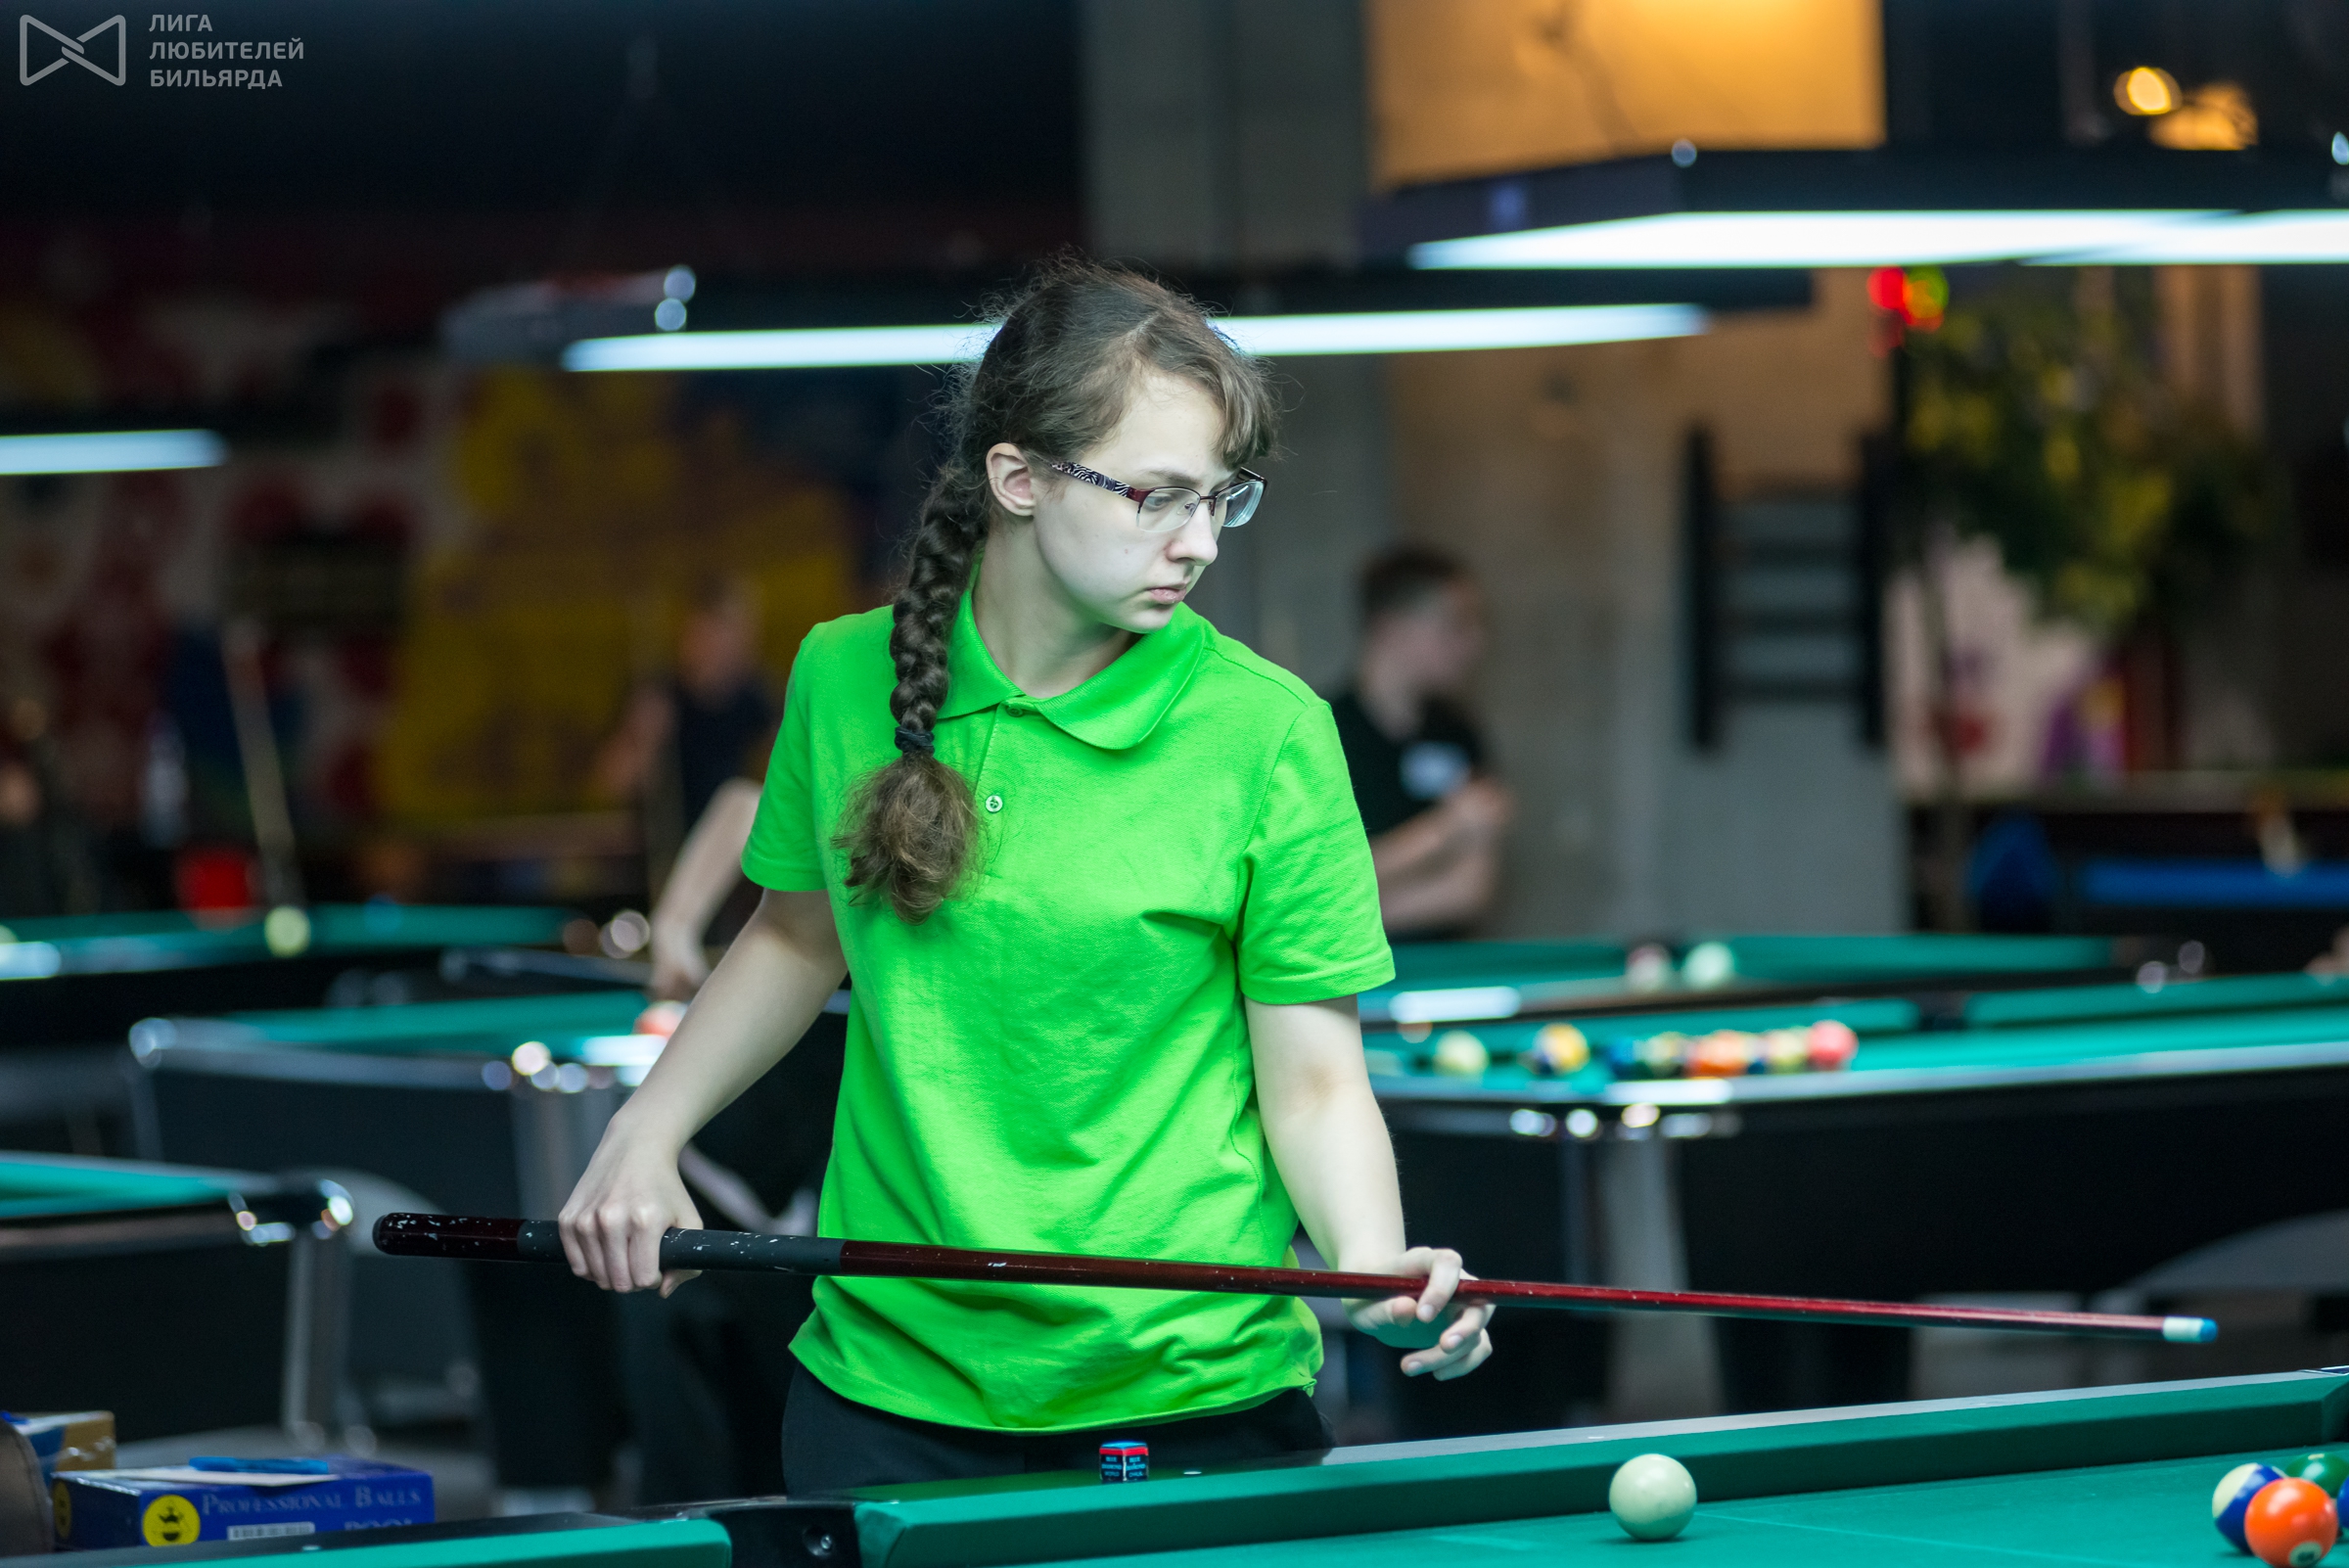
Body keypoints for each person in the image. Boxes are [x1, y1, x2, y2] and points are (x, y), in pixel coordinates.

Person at [558, 258, 1493, 1494]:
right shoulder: (843, 677)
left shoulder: (1267, 731)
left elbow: (1316, 1082)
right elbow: (795, 938)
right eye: (1158, 498)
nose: (1201, 542)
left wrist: (1373, 1267)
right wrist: (646, 1128)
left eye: (1223, 498)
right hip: (888, 1392)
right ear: (1019, 478)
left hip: (1195, 1396)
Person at [1328, 548, 1513, 938]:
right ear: (1390, 627)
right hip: (1355, 971)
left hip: (1447, 962)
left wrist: (1356, 909)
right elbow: (1319, 886)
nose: (1475, 643)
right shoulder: (1323, 731)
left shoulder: (1456, 732)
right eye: (1455, 624)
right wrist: (1447, 829)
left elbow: (1468, 891)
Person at [593, 576, 779, 899]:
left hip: (731, 870)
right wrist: (642, 739)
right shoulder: (658, 696)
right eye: (716, 632)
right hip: (663, 863)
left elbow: (785, 787)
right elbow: (610, 785)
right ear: (691, 632)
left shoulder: (757, 698)